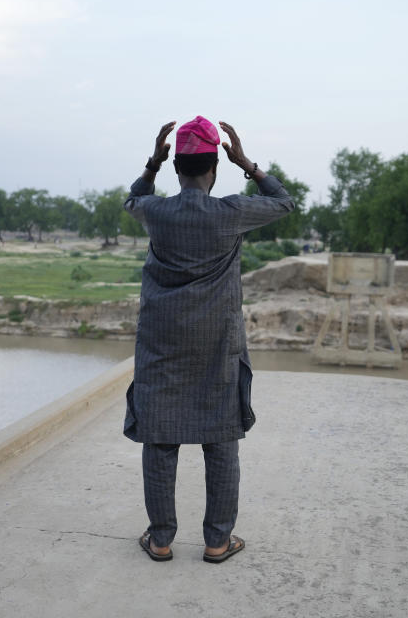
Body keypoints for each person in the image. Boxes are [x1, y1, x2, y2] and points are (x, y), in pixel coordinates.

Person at [123, 117, 293, 564]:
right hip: (217, 346)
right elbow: (284, 202)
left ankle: (160, 540)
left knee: (160, 441)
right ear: (215, 168)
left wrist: (151, 164)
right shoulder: (231, 213)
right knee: (220, 443)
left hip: (161, 349)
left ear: (177, 167)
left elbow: (133, 198)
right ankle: (218, 541)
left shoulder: (156, 213)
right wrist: (249, 165)